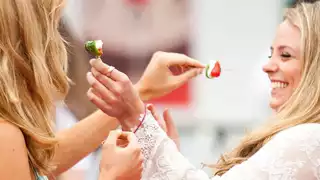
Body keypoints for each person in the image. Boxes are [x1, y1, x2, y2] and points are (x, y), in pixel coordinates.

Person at [88, 1, 320, 179]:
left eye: (286, 55)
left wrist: (136, 116)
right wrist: (166, 152)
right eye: (272, 54)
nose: (267, 66)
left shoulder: (308, 137)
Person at [0, 0, 205, 179]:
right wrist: (111, 175)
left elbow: (46, 159)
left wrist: (138, 93)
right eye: (52, 27)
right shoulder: (6, 135)